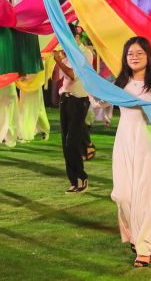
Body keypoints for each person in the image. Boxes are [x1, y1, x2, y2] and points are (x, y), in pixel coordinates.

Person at [111, 36, 151, 268]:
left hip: (150, 141)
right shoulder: (119, 83)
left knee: (147, 195)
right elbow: (99, 100)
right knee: (122, 195)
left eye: (139, 53)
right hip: (125, 142)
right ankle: (136, 234)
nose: (134, 57)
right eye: (130, 53)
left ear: (148, 56)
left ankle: (145, 248)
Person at [52, 27, 94, 193]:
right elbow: (56, 78)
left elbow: (73, 75)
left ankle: (82, 178)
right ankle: (73, 180)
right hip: (65, 100)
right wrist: (58, 61)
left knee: (73, 143)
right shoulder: (67, 54)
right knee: (65, 143)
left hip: (79, 101)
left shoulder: (86, 53)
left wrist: (59, 60)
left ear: (76, 36)